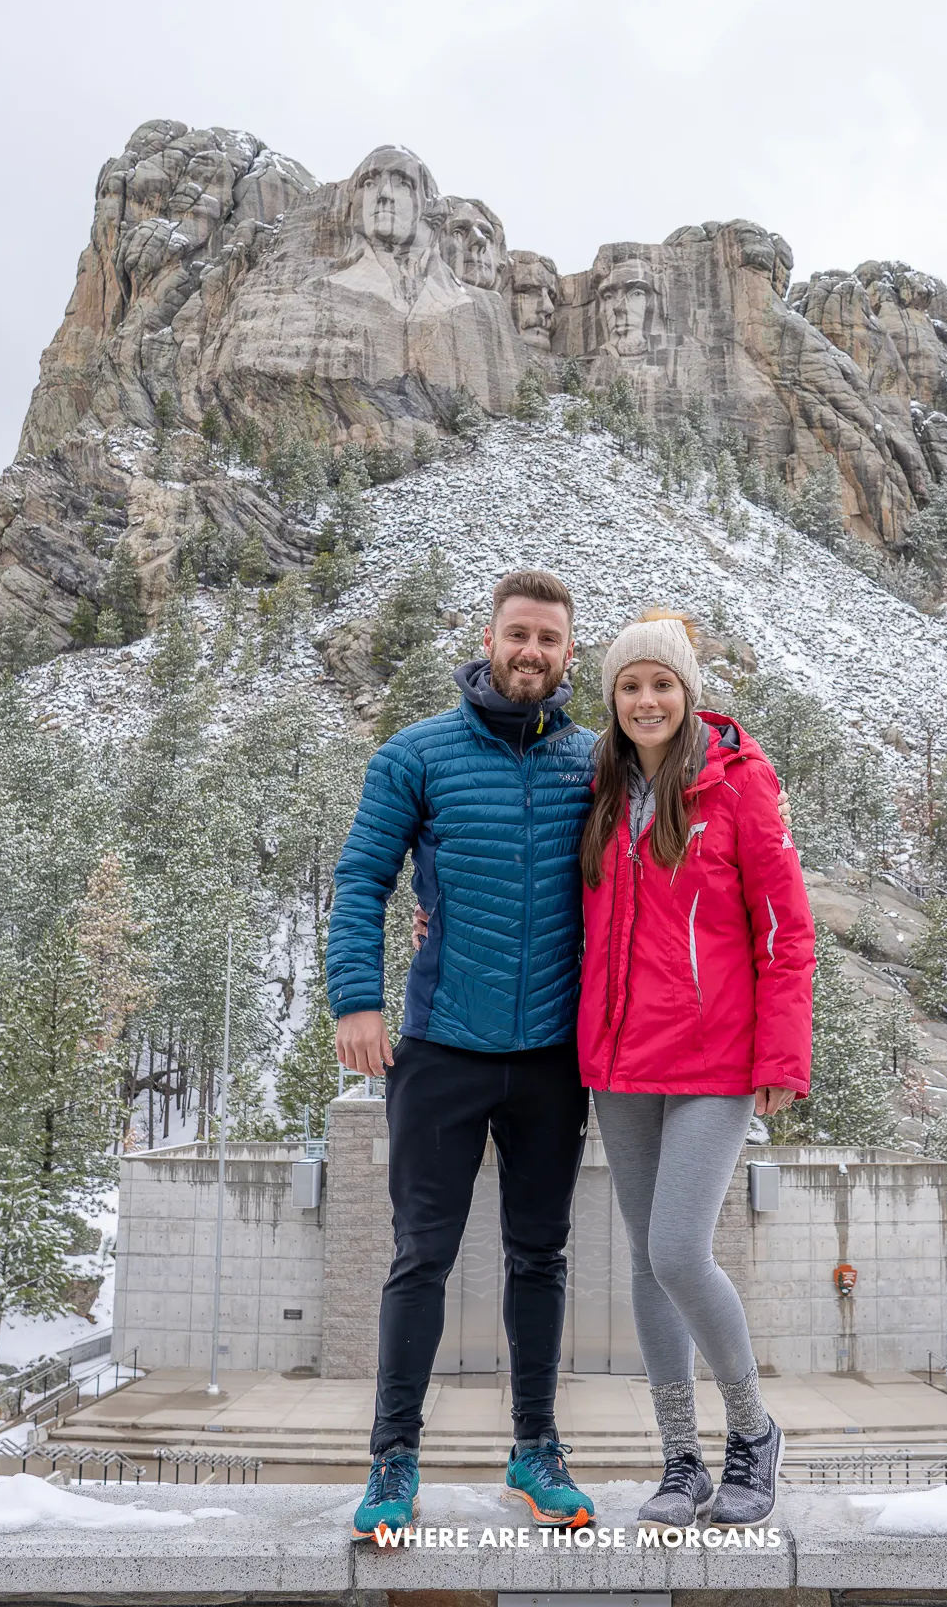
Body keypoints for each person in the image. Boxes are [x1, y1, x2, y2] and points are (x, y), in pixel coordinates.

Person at [326, 570, 599, 1540]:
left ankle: (536, 1451)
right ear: (487, 639)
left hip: (553, 1058)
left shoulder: (596, 766)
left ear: (572, 654)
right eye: (518, 635)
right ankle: (393, 1461)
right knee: (420, 1260)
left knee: (540, 1257)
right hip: (440, 1046)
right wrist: (356, 999)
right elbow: (361, 877)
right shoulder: (416, 755)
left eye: (550, 640)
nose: (532, 653)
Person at [577, 610, 815, 1531]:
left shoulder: (740, 784)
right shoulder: (600, 789)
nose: (646, 700)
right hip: (620, 1060)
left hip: (715, 1059)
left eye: (662, 684)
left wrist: (779, 1057)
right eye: (630, 686)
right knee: (646, 1262)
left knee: (679, 1249)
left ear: (689, 693)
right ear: (614, 699)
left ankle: (753, 1434)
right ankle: (679, 1461)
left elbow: (784, 931)